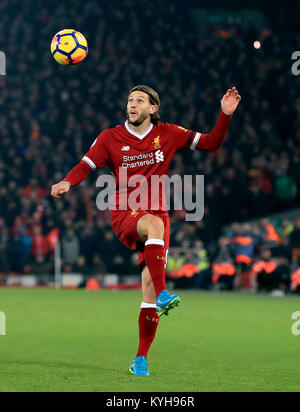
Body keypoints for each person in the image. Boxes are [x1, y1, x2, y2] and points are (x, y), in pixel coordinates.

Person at [51, 85, 241, 376]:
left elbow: (212, 143)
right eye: (130, 100)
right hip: (126, 212)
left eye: (140, 100)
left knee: (148, 291)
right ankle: (166, 291)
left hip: (158, 215)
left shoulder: (169, 133)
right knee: (153, 229)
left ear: (153, 108)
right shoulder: (110, 137)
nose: (132, 104)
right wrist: (67, 181)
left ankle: (140, 358)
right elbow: (86, 165)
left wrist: (225, 115)